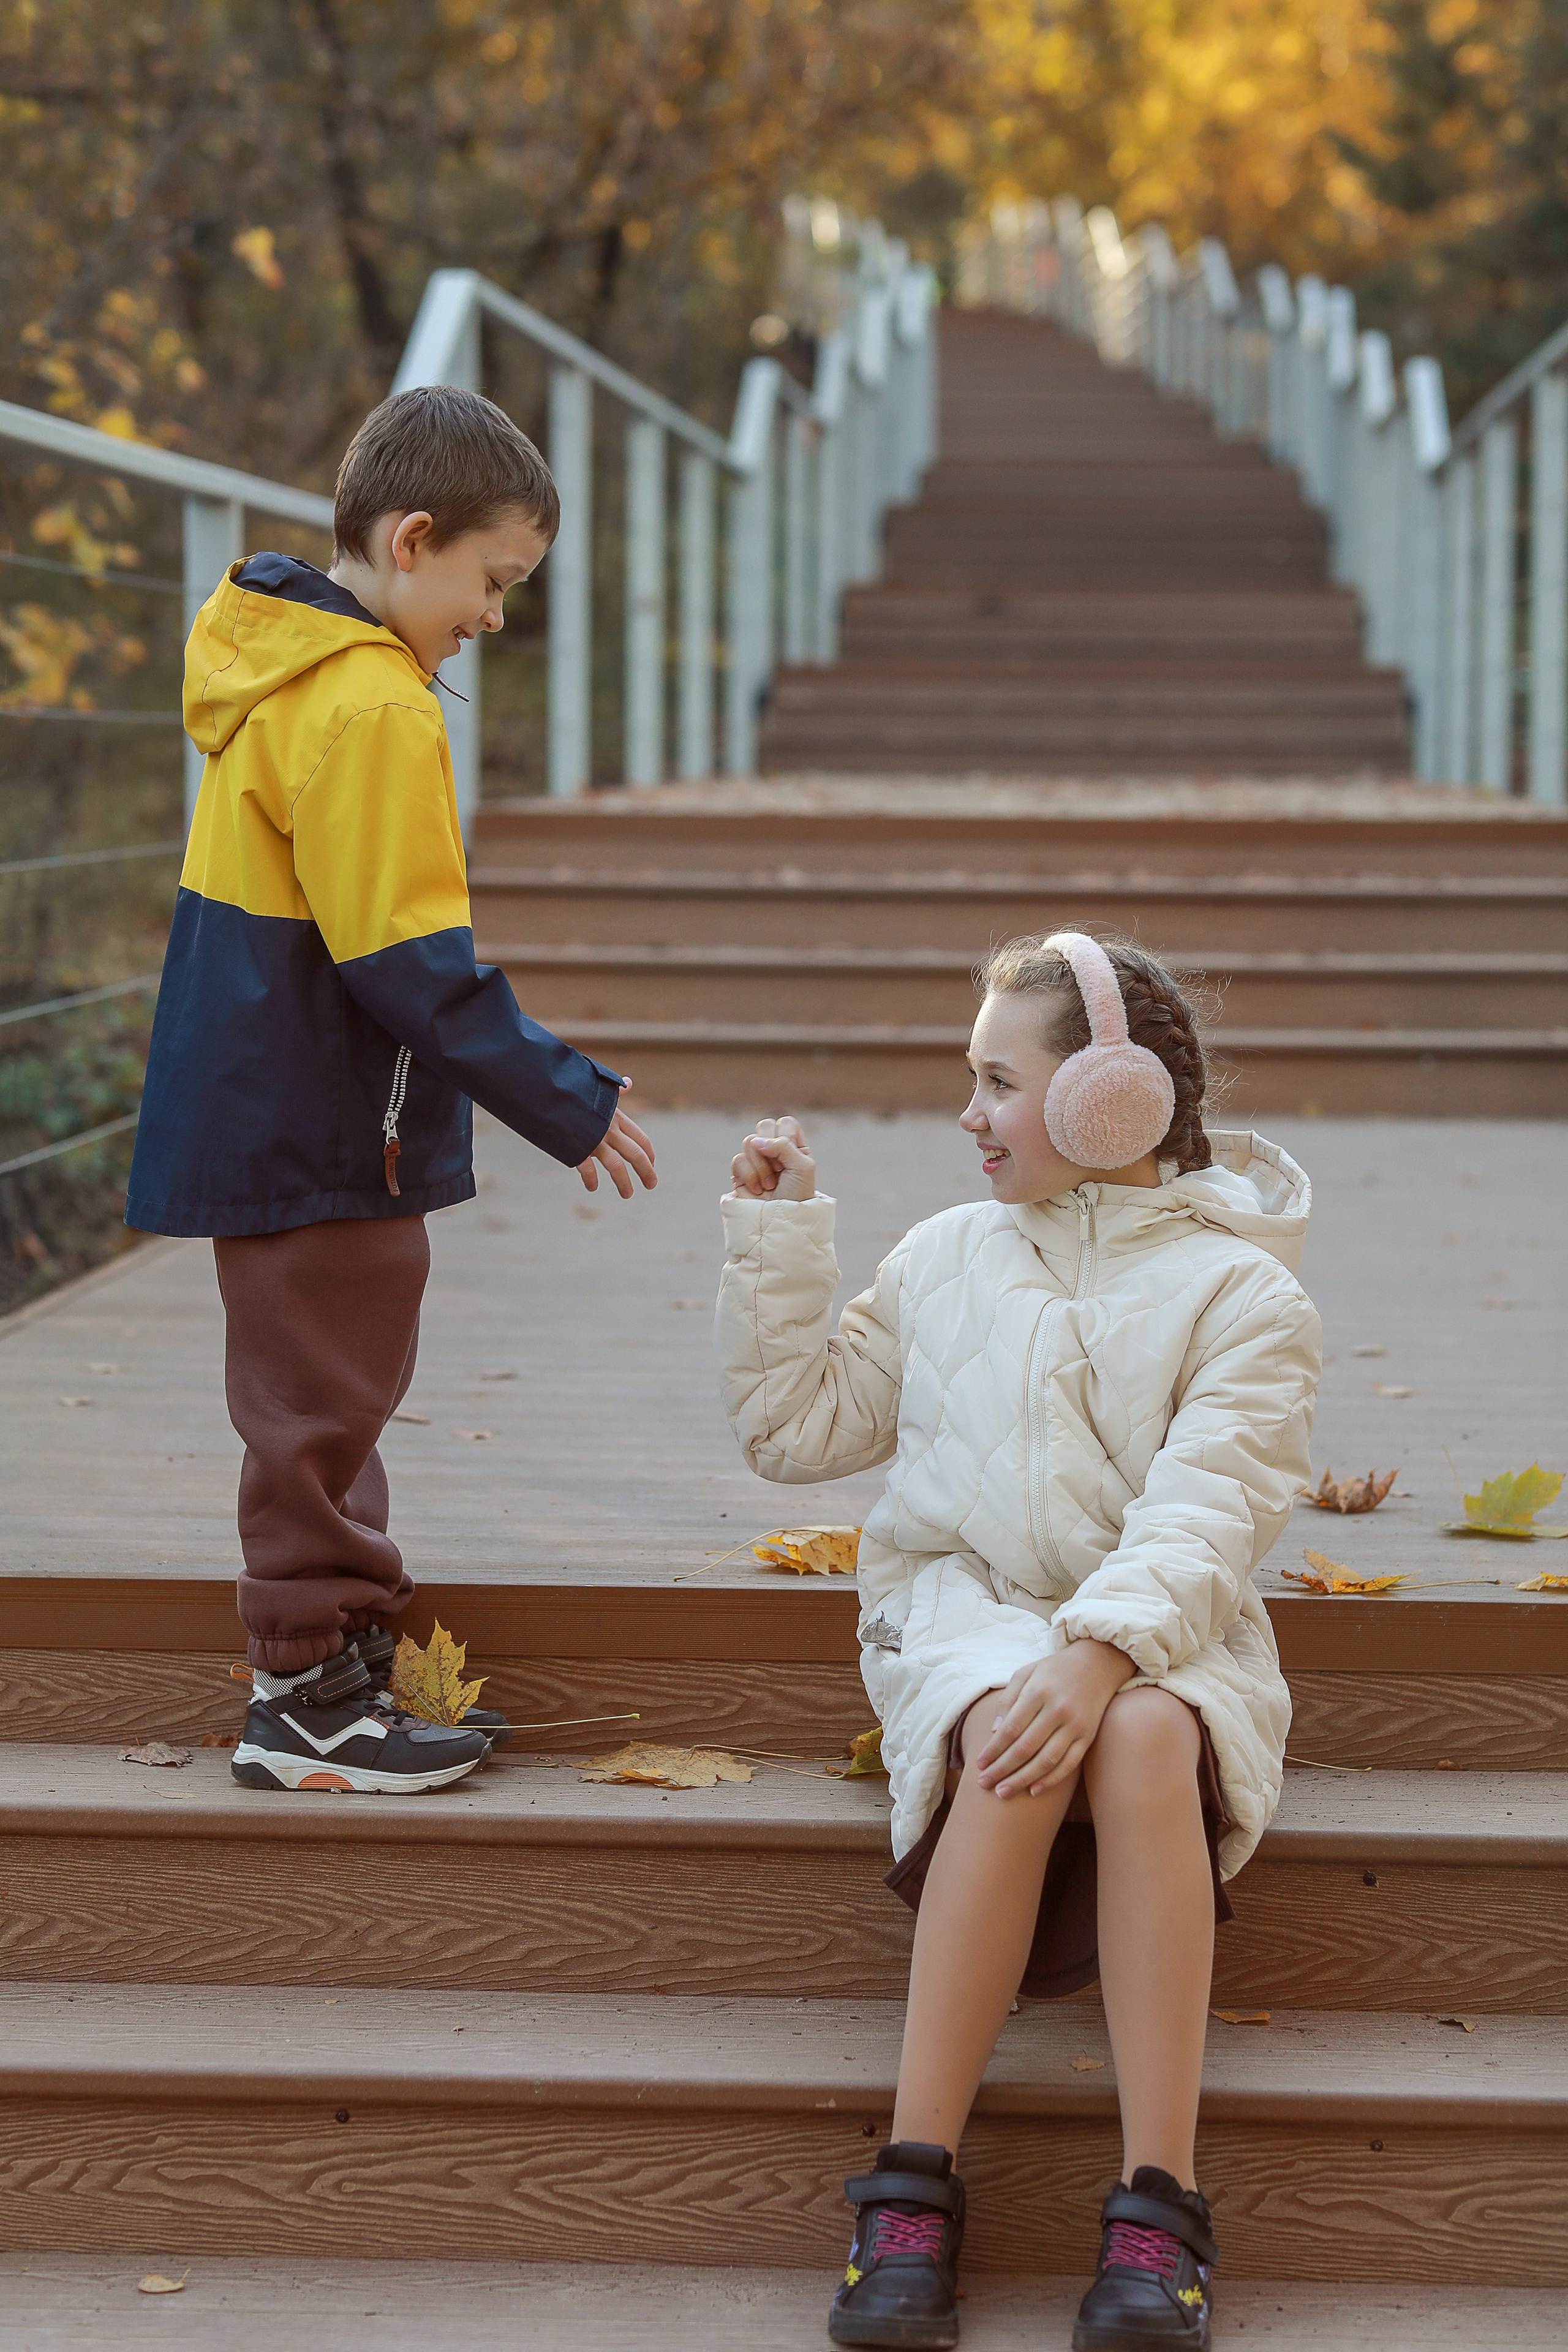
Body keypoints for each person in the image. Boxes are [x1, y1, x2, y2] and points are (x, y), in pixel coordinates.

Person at [717, 932, 1319, 2352]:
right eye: (970, 1079)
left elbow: (1205, 1511)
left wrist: (1105, 1651)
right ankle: (911, 2187)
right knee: (1007, 1725)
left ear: (1106, 1104)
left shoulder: (1245, 1297)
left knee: (1147, 1732)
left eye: (996, 1080)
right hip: (964, 1604)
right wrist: (782, 1235)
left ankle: (1157, 2200)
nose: (967, 1113)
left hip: (1168, 1625)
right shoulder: (941, 1259)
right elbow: (792, 1429)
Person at [126, 385, 655, 1795]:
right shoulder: (367, 706)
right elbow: (407, 963)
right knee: (317, 1403)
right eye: (494, 581)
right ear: (413, 540)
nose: (495, 617)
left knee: (330, 1391)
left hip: (286, 1098)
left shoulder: (296, 675)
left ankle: (340, 1668)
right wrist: (568, 1099)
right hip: (314, 1115)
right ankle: (300, 1694)